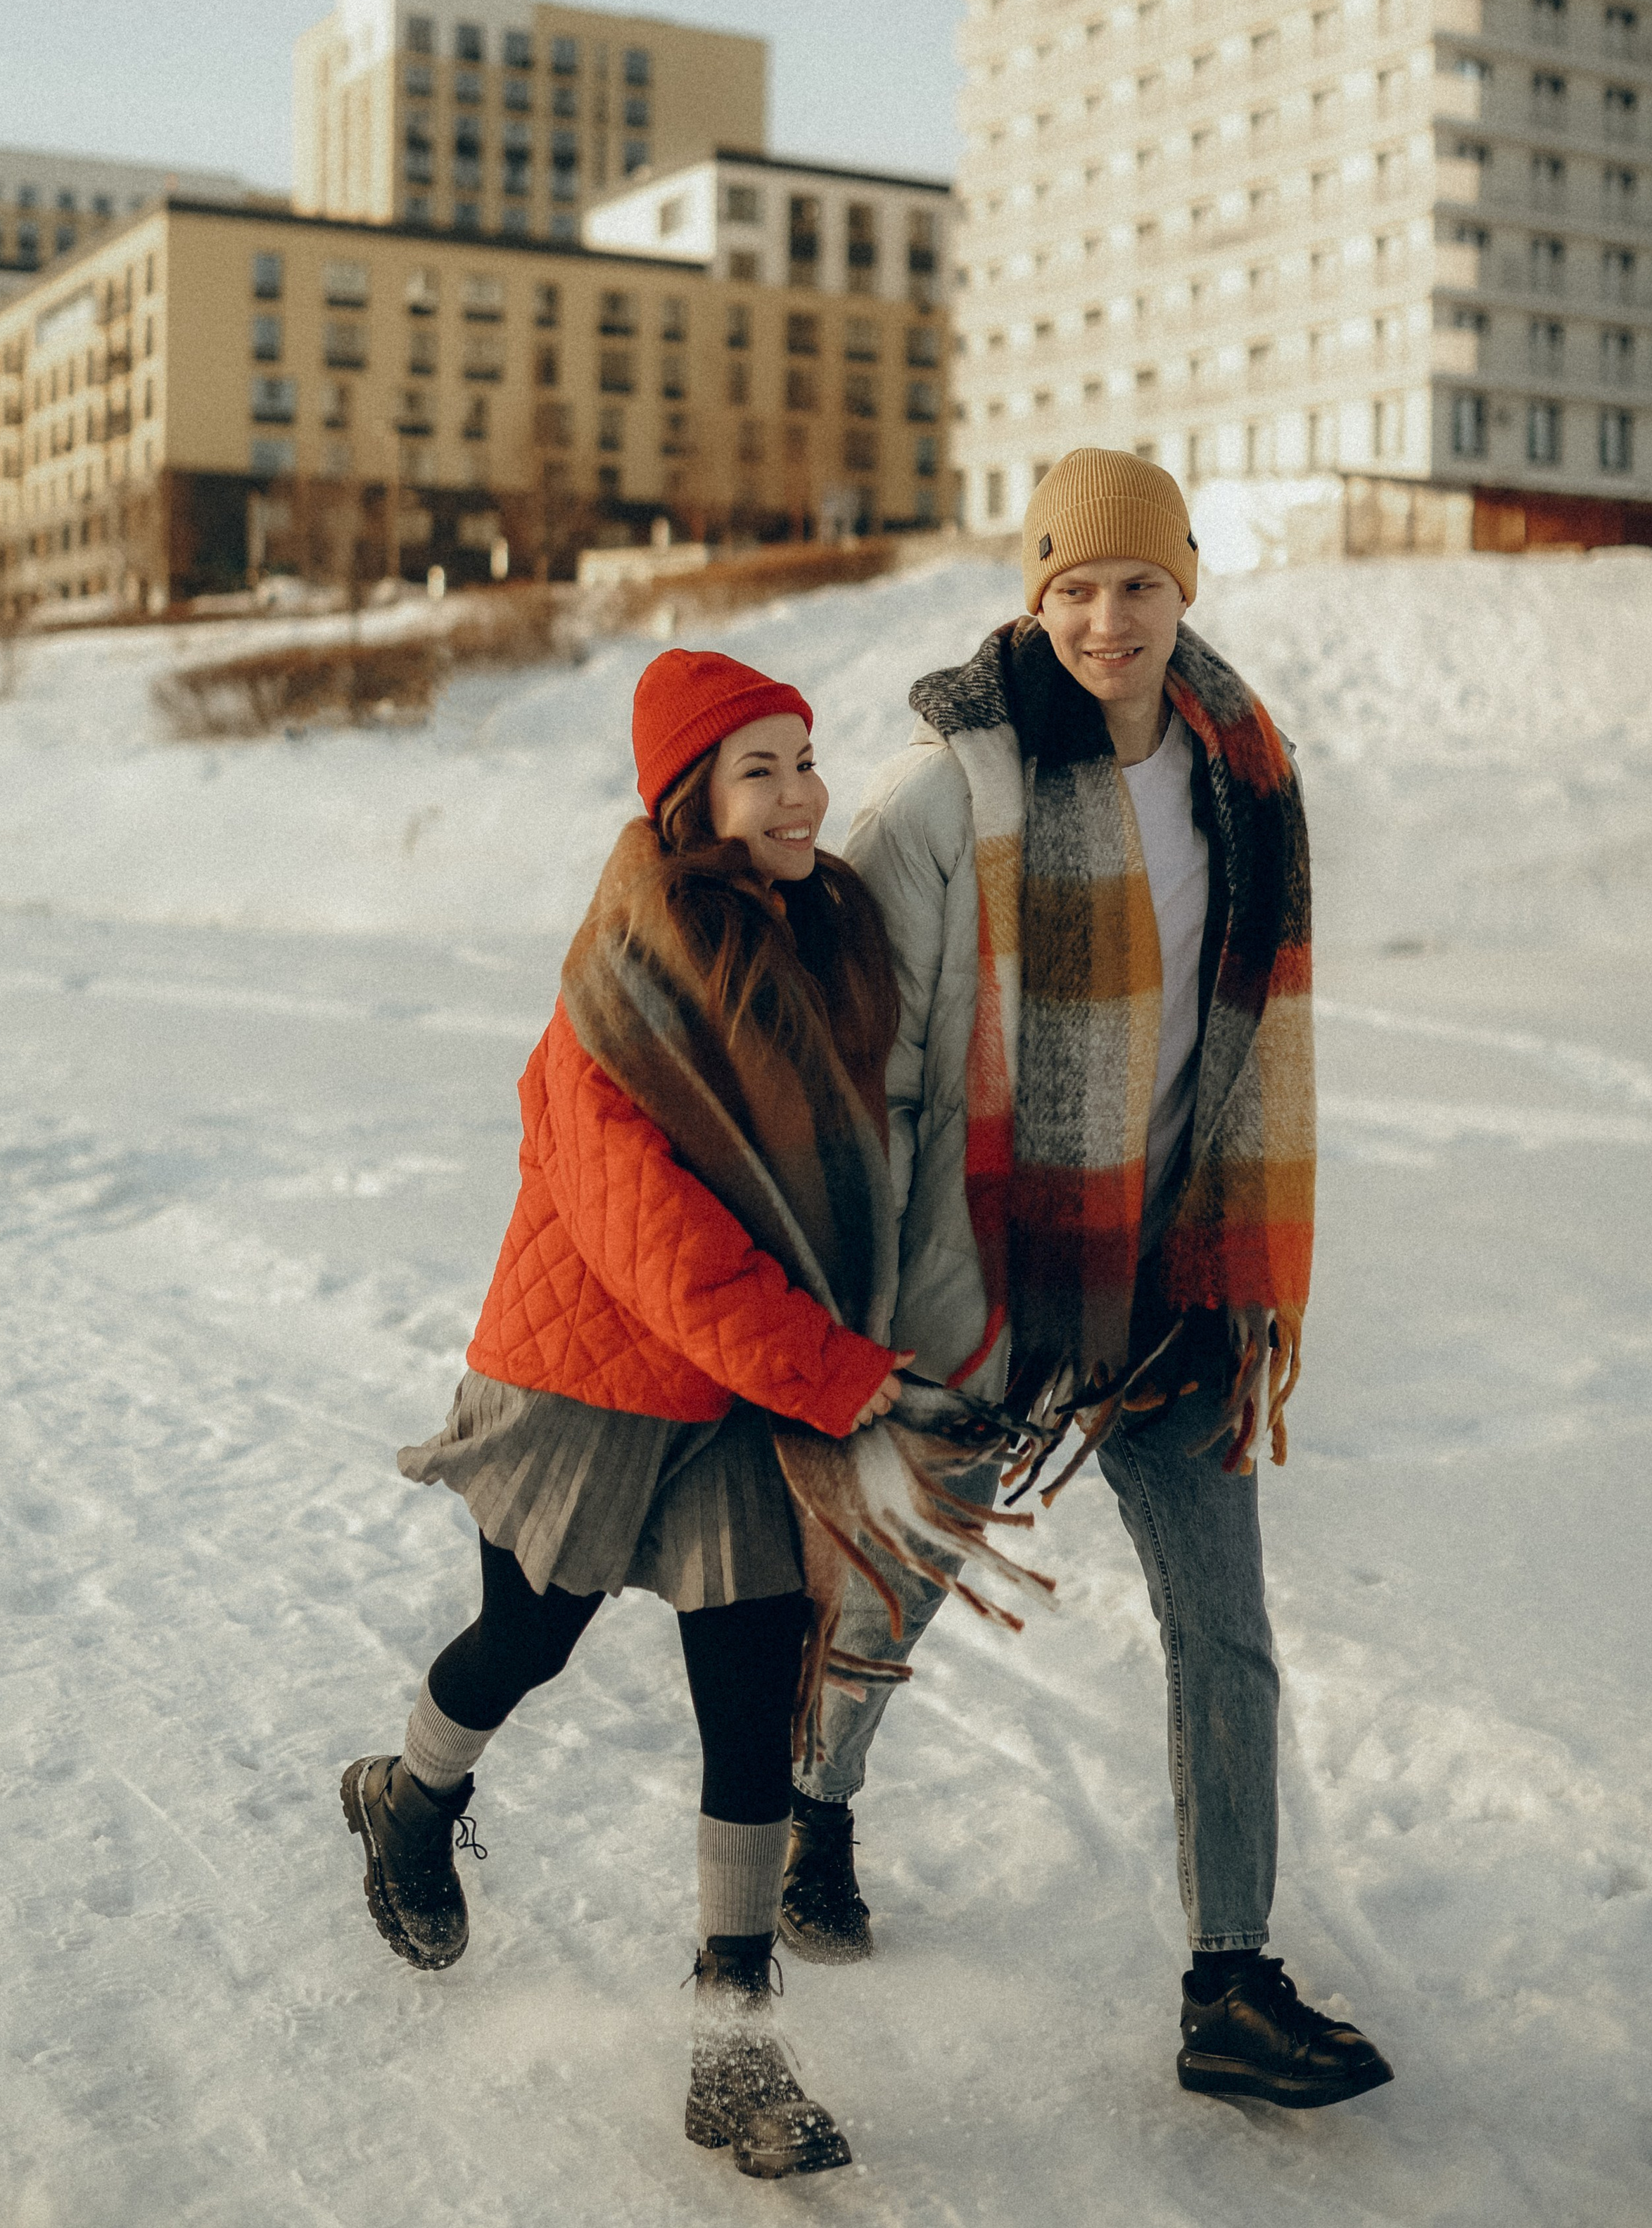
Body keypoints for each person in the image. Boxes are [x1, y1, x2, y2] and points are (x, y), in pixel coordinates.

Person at [779, 447, 1393, 2113]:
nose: (1106, 619)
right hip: (986, 1277)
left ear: (1180, 587)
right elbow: (864, 1076)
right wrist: (875, 1310)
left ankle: (1227, 1980)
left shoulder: (1242, 773)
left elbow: (1244, 1031)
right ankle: (813, 1808)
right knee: (899, 1580)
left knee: (1227, 1636)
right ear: (1030, 596)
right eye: (1072, 587)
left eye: (1136, 585)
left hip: (1183, 1279)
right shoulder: (941, 798)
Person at [342, 648, 913, 2181]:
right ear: (686, 805)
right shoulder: (619, 990)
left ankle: (733, 2043)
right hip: (590, 1382)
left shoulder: (831, 944)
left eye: (806, 759)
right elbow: (664, 1251)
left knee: (752, 1693)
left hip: (737, 1393)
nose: (798, 795)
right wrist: (838, 1373)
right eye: (757, 769)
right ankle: (409, 1797)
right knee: (526, 1639)